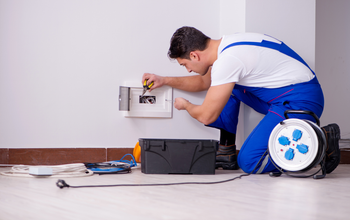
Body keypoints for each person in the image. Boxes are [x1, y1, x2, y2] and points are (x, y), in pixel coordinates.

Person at [142, 26, 341, 174]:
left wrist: (186, 106)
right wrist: (164, 80)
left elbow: (207, 116)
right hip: (285, 94)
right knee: (229, 87)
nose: (188, 69)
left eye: (185, 64)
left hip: (300, 100)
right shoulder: (228, 45)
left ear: (194, 54)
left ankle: (318, 142)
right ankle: (226, 151)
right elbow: (205, 83)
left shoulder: (228, 61)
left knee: (251, 162)